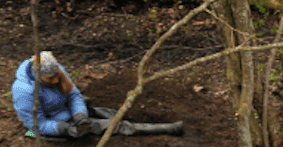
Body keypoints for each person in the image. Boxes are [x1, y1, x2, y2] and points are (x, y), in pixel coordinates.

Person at [12, 51, 183, 139]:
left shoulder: (54, 69)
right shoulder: (24, 91)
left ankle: (129, 120)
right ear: (37, 74)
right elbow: (37, 125)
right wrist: (65, 128)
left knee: (104, 113)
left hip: (65, 109)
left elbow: (74, 96)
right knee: (114, 126)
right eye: (51, 78)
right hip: (56, 122)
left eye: (58, 75)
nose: (57, 80)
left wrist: (80, 115)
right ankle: (166, 129)